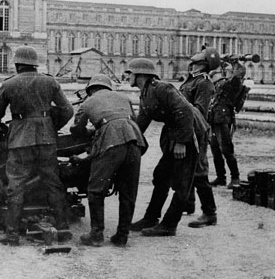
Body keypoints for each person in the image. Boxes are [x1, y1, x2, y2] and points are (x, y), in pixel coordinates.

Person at [0, 46, 74, 246]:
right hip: (46, 139)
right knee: (53, 182)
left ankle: (12, 234)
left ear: (17, 65)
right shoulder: (50, 81)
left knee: (15, 185)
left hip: (20, 139)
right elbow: (67, 110)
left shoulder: (9, 84)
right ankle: (63, 229)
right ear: (35, 65)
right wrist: (51, 127)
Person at [69, 74, 147, 247]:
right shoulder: (123, 97)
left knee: (96, 189)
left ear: (91, 89)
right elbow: (130, 119)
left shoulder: (88, 102)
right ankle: (122, 235)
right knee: (128, 191)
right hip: (135, 140)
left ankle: (96, 235)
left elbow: (76, 129)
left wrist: (93, 132)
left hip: (111, 141)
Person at [126, 58, 200, 237]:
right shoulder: (145, 92)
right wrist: (130, 138)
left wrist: (182, 142)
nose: (126, 75)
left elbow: (185, 112)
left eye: (130, 72)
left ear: (140, 74)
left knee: (182, 182)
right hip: (174, 133)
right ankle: (151, 218)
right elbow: (142, 121)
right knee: (161, 176)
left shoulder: (162, 88)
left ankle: (169, 225)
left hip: (190, 134)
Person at [178, 48, 219, 229]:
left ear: (204, 64)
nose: (192, 63)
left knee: (199, 171)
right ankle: (188, 203)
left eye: (197, 61)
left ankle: (210, 213)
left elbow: (199, 111)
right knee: (185, 168)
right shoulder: (192, 79)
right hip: (188, 128)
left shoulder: (203, 83)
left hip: (197, 130)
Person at [208, 58, 247, 188]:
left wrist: (237, 62)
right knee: (215, 149)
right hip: (214, 119)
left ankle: (235, 177)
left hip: (224, 120)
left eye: (230, 69)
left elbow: (238, 75)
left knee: (226, 149)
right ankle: (221, 177)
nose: (227, 71)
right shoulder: (221, 83)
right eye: (227, 69)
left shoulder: (233, 84)